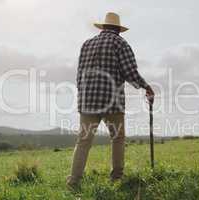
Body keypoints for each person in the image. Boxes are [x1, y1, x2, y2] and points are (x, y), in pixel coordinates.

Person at [66, 12, 155, 189]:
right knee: (118, 138)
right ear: (118, 30)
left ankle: (73, 182)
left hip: (87, 100)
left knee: (83, 141)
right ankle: (116, 178)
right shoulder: (120, 43)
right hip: (112, 102)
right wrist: (146, 87)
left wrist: (83, 95)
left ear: (103, 27)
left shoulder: (87, 44)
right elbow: (130, 72)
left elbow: (79, 74)